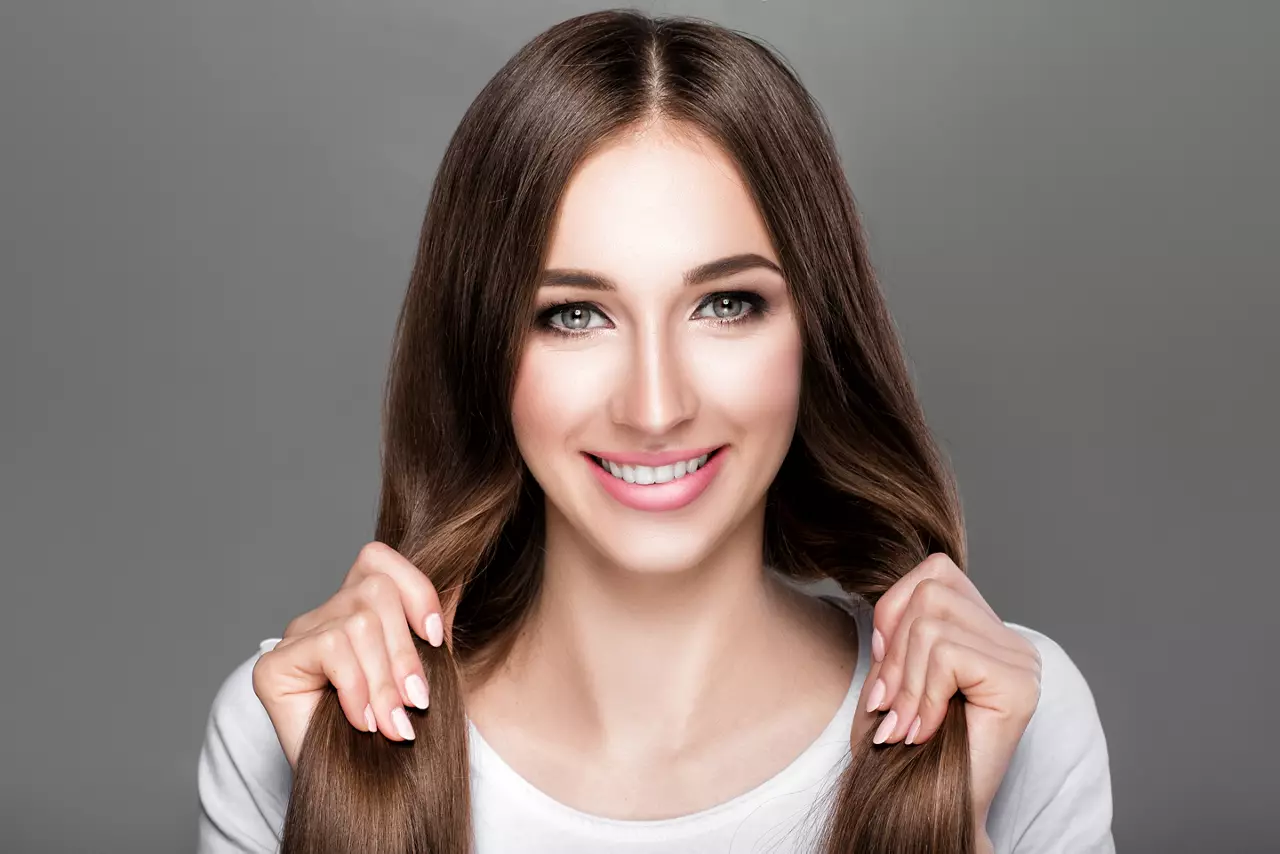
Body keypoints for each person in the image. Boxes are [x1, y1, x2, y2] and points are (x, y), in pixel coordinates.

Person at [196, 9, 1113, 853]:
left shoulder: (1011, 714)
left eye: (725, 303)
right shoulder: (293, 726)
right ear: (483, 349)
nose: (654, 405)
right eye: (574, 315)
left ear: (815, 333)